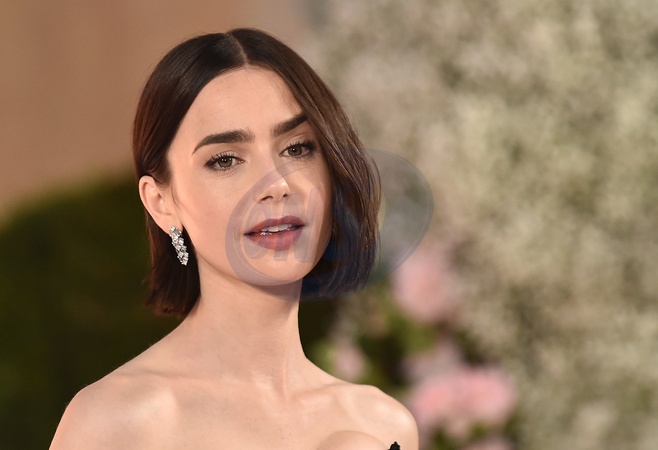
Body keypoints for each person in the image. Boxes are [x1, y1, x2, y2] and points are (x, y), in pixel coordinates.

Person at [50, 28, 418, 449]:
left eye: (297, 148)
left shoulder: (383, 423)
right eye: (225, 160)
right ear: (161, 202)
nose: (277, 184)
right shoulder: (117, 422)